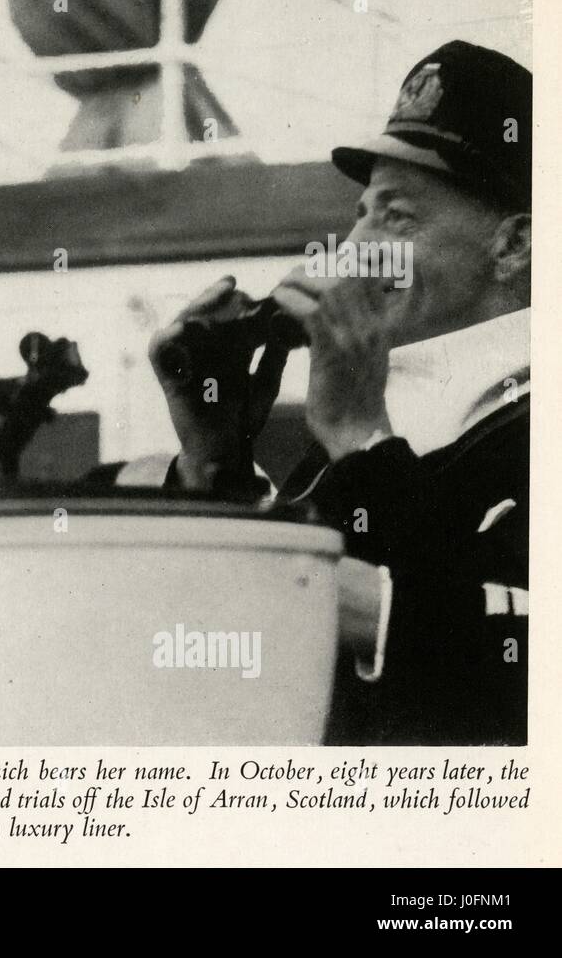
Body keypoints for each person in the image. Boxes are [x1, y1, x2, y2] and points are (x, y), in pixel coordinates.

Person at [147, 41, 530, 744]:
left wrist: (360, 432)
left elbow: (504, 670)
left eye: (396, 218)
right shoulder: (386, 400)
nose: (354, 246)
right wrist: (215, 459)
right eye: (361, 213)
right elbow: (258, 628)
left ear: (513, 246)